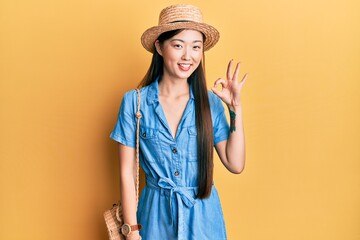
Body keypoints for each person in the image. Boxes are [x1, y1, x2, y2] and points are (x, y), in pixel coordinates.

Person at [110, 4, 248, 240]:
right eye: (178, 45)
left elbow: (235, 164)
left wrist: (235, 108)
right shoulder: (135, 103)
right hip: (154, 219)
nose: (188, 56)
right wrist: (131, 231)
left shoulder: (210, 103)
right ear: (160, 47)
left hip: (204, 221)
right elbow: (126, 171)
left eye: (196, 47)